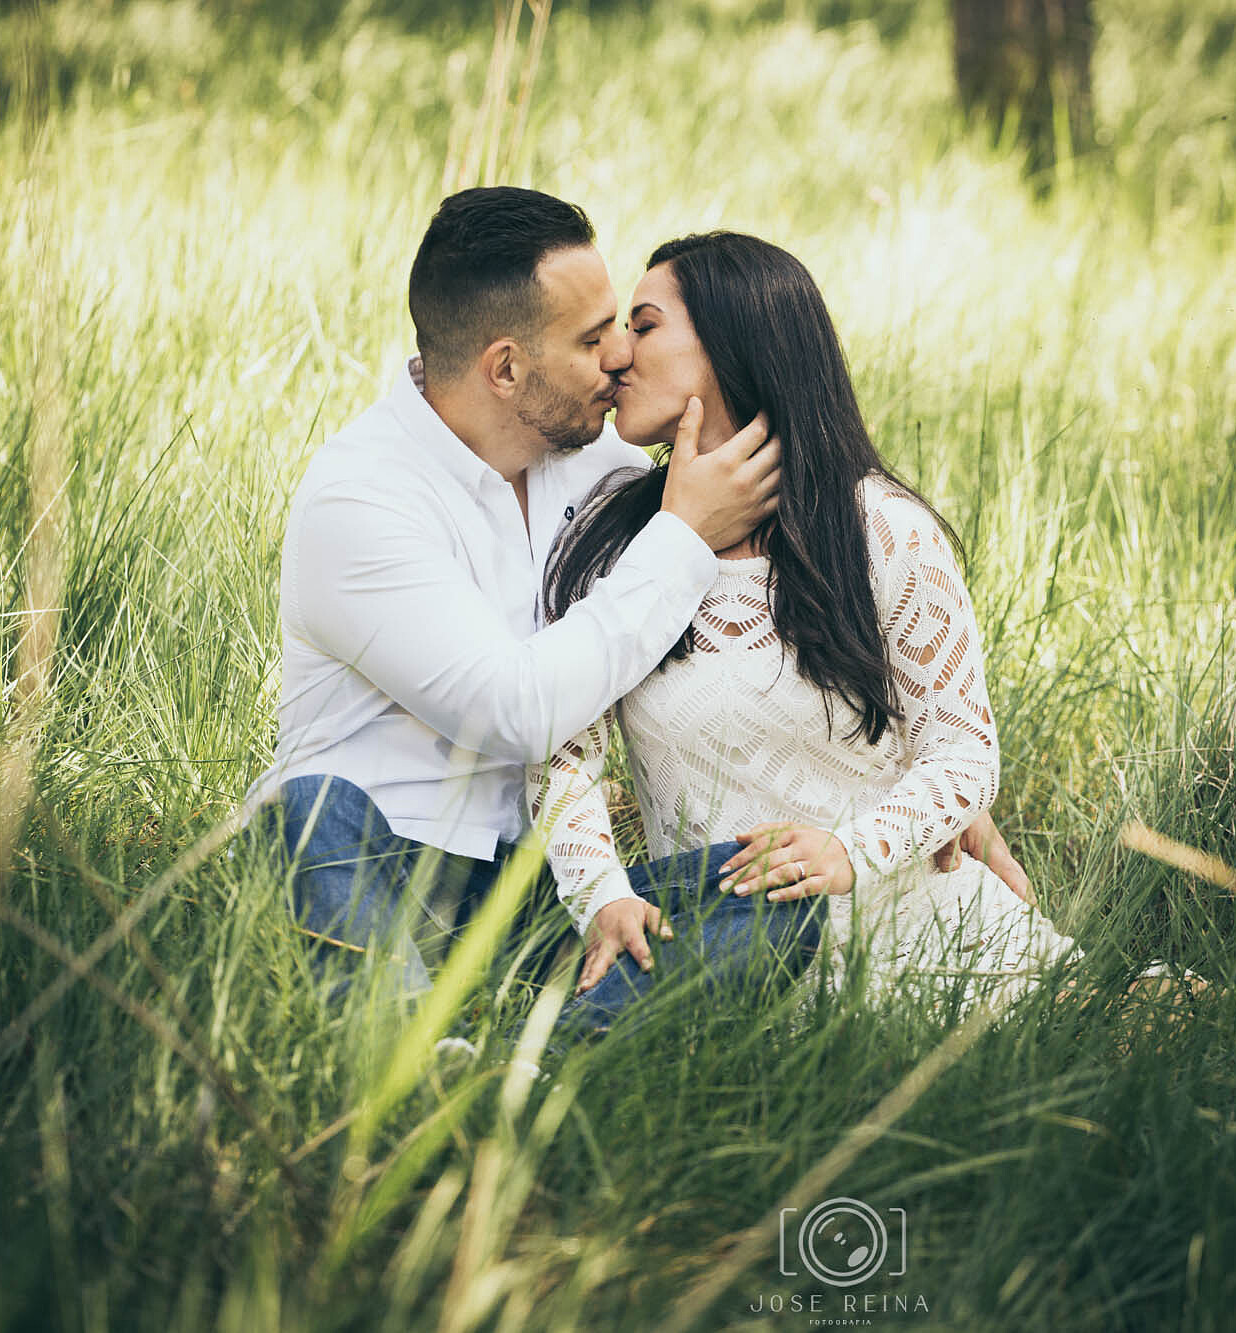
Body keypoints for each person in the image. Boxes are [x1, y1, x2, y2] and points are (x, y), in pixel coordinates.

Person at [528, 231, 1093, 1031]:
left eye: (645, 324)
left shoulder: (883, 532)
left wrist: (849, 850)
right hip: (721, 951)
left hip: (921, 926)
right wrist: (605, 898)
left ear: (734, 339)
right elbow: (560, 755)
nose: (617, 354)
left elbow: (964, 750)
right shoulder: (612, 542)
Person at [244, 188, 785, 996]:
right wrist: (679, 538)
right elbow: (516, 712)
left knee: (772, 895)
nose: (620, 358)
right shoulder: (360, 498)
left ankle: (534, 1061)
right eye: (593, 336)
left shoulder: (602, 468)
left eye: (622, 327)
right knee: (312, 812)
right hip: (380, 862)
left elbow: (765, 613)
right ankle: (408, 1067)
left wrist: (911, 769)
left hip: (538, 887)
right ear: (506, 367)